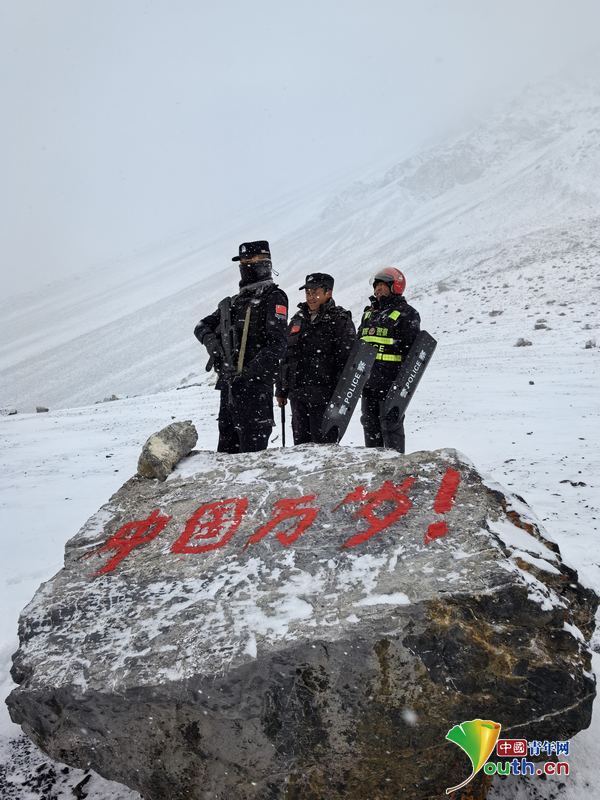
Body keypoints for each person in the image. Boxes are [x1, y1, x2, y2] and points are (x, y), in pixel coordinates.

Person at [194, 241, 288, 453]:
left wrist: (248, 372)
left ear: (264, 262)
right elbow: (201, 326)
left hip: (256, 391)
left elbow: (278, 345)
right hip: (229, 390)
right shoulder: (235, 302)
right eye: (242, 262)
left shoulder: (273, 298)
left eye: (250, 261)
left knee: (252, 460)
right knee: (226, 457)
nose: (245, 265)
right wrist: (212, 343)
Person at [276, 272, 355, 444]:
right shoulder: (297, 320)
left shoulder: (340, 320)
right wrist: (281, 389)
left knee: (324, 447)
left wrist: (340, 395)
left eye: (315, 292)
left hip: (325, 397)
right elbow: (286, 357)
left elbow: (347, 360)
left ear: (328, 293)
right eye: (307, 293)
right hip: (297, 396)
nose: (310, 297)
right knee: (301, 447)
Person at [359, 267, 420, 452]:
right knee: (370, 427)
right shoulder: (369, 313)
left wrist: (400, 384)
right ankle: (373, 475)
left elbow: (411, 355)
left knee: (391, 428)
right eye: (376, 285)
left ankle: (396, 474)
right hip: (368, 385)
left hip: (391, 385)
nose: (377, 289)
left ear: (395, 287)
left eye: (382, 285)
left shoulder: (407, 313)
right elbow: (358, 346)